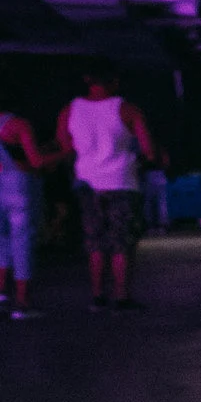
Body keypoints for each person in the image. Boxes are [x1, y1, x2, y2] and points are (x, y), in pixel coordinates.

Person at [57, 73, 158, 308]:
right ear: (115, 81)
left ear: (87, 80)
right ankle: (122, 296)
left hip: (87, 183)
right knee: (122, 242)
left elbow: (64, 143)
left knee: (95, 241)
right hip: (122, 181)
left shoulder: (69, 110)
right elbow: (148, 149)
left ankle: (97, 295)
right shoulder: (127, 109)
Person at [0, 101, 46, 317]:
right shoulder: (18, 124)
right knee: (22, 243)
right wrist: (63, 153)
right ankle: (22, 302)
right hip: (17, 187)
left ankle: (1, 293)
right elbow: (35, 160)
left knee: (2, 241)